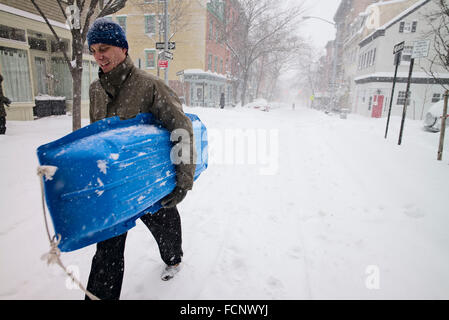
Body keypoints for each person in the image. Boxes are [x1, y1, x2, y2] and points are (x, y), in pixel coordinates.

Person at [85, 18, 196, 300]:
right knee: (107, 251)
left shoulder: (150, 86)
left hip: (148, 179)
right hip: (115, 186)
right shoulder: (95, 90)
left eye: (105, 47)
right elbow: (96, 135)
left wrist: (182, 182)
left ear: (123, 48)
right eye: (94, 49)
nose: (99, 55)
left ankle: (174, 258)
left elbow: (181, 128)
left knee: (164, 221)